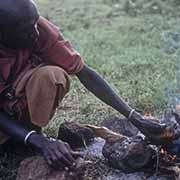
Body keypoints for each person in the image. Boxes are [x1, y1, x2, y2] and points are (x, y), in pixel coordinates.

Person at [0, 0, 168, 170]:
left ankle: (27, 136)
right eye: (26, 31)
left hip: (12, 97)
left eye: (35, 23)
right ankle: (26, 139)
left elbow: (84, 73)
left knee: (51, 75)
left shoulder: (35, 27)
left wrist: (134, 116)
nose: (35, 33)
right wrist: (38, 141)